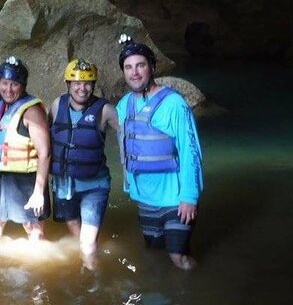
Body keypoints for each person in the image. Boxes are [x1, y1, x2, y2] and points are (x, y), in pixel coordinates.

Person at [116, 34, 204, 270]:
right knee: (154, 252)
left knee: (178, 257)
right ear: (123, 72)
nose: (134, 72)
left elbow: (191, 152)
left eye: (140, 65)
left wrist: (190, 197)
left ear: (152, 68)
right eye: (128, 67)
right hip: (145, 198)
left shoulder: (174, 104)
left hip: (176, 198)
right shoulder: (124, 105)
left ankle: (194, 289)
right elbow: (126, 146)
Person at [48, 58, 118, 270]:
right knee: (73, 226)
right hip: (64, 183)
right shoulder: (56, 104)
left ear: (94, 85)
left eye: (88, 83)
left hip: (94, 185)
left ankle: (93, 280)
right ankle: (87, 258)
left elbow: (128, 135)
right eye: (77, 83)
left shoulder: (105, 110)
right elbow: (44, 138)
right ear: (68, 84)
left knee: (86, 244)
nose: (82, 88)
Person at [0, 56, 51, 241]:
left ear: (23, 85)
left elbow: (45, 153)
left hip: (26, 181)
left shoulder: (32, 111)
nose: (8, 89)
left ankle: (39, 269)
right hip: (0, 180)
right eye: (4, 83)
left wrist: (38, 192)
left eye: (14, 84)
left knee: (34, 234)